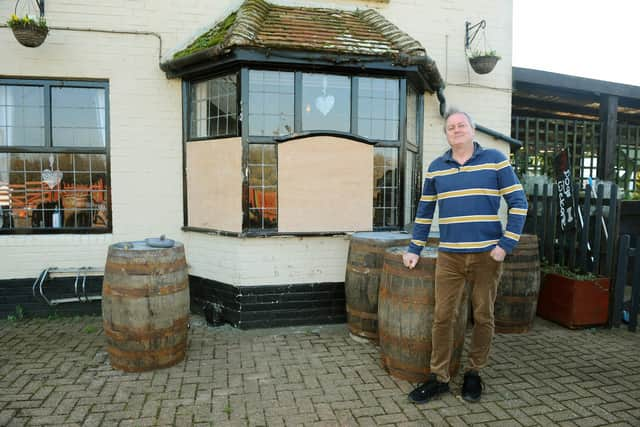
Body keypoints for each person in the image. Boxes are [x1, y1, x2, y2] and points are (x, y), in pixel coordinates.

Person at [402, 108, 528, 404]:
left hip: (487, 256)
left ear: (472, 130)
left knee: (483, 316)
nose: (456, 130)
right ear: (446, 134)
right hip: (450, 258)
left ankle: (474, 373)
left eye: (461, 125)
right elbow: (424, 212)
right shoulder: (436, 168)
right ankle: (439, 378)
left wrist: (505, 244)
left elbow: (519, 203)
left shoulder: (496, 161)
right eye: (450, 127)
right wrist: (414, 248)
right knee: (443, 317)